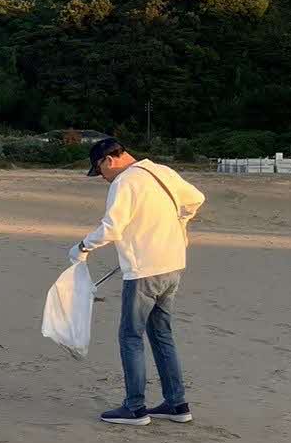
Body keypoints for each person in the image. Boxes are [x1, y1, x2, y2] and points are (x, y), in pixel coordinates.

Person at [71, 137, 205, 426]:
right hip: (172, 264)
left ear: (109, 160)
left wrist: (83, 247)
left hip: (144, 271)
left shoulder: (124, 182)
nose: (103, 178)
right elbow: (196, 198)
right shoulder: (162, 171)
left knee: (131, 336)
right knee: (161, 334)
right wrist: (180, 223)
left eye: (99, 170)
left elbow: (112, 227)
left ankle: (134, 407)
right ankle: (176, 403)